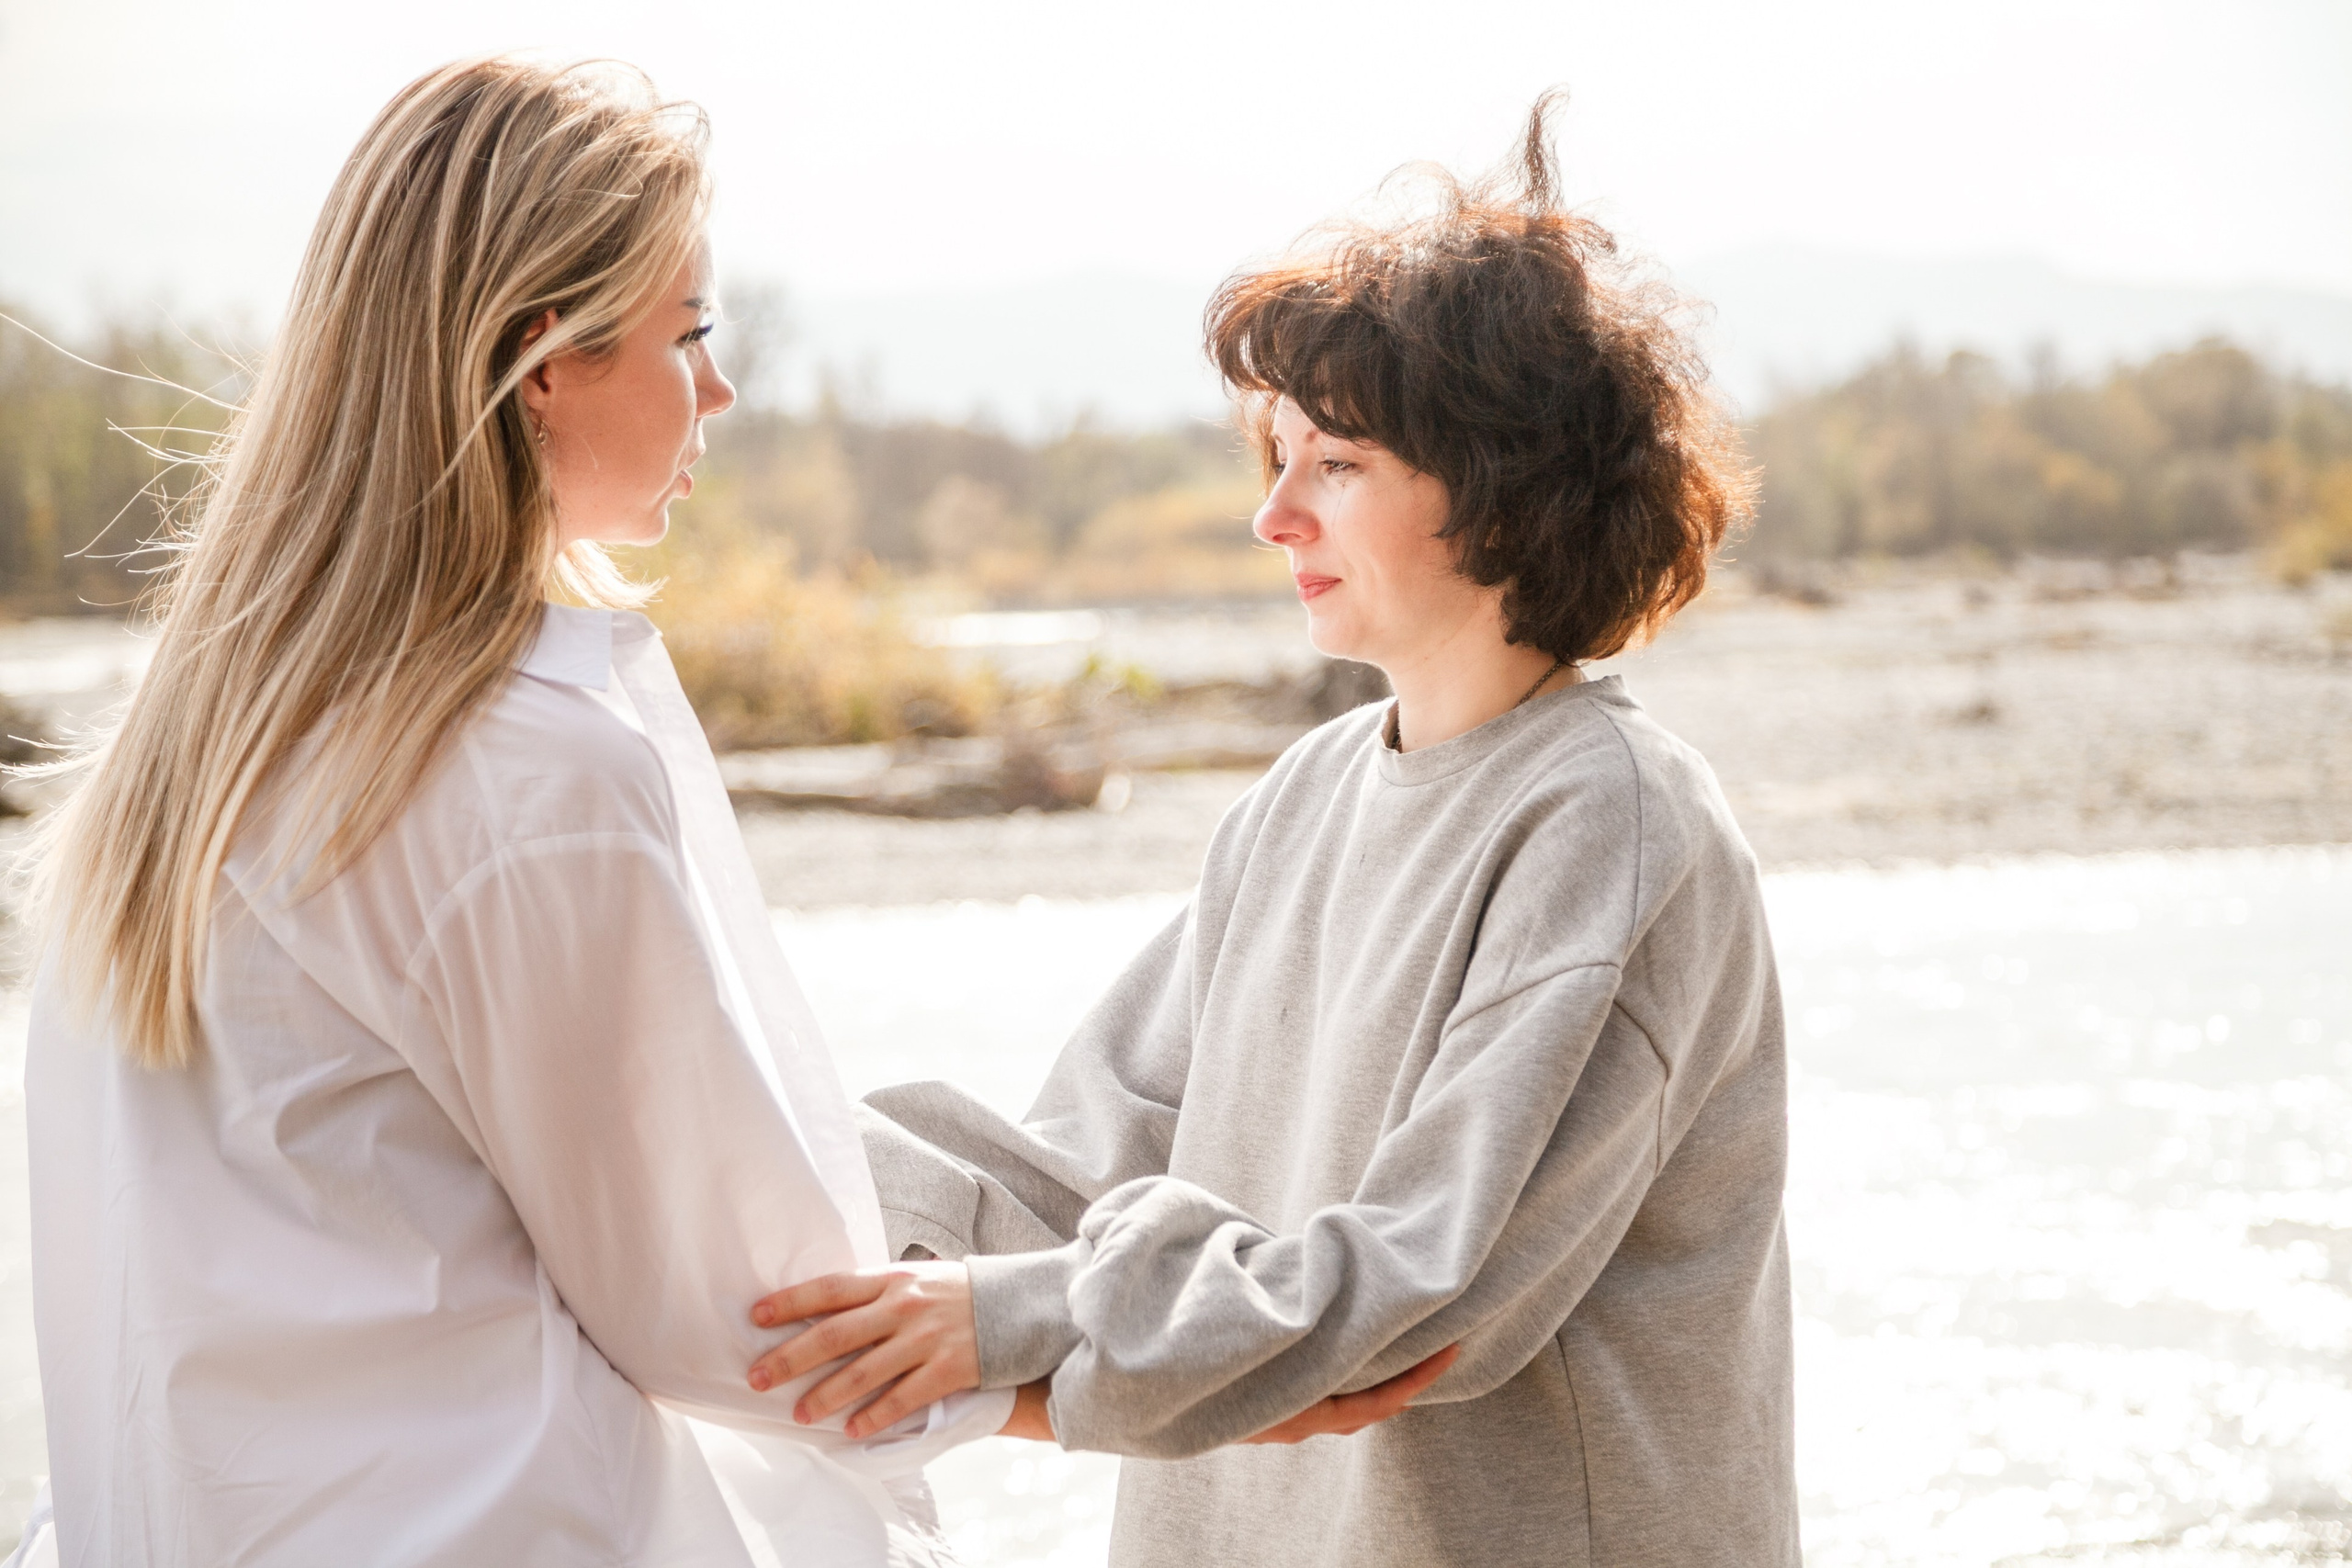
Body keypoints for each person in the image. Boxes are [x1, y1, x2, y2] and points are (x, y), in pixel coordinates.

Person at [747, 98, 1800, 1567]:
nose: (1275, 517)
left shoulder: (1614, 823)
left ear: (1501, 488)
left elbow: (1431, 1290)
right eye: (1277, 457)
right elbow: (1079, 1166)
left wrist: (1003, 1319)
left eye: (1339, 465)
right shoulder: (1304, 796)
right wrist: (743, 1159)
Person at [9, 58, 1023, 1568]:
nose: (722, 391)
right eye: (690, 335)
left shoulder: (186, 752)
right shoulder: (523, 767)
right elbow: (748, 1312)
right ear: (542, 358)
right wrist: (1148, 1370)